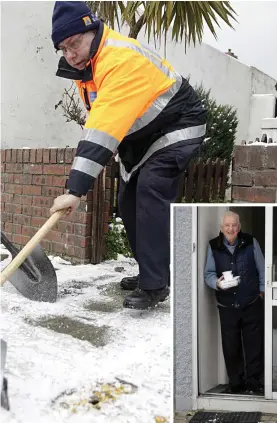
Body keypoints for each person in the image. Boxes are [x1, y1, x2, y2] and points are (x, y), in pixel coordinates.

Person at [50, 1, 207, 309]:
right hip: (146, 137)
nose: (70, 54)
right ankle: (151, 271)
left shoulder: (119, 59)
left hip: (178, 125)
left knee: (150, 189)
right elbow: (111, 122)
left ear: (92, 31)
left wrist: (74, 191)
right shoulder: (89, 69)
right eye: (64, 49)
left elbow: (103, 125)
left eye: (75, 44)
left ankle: (156, 285)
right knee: (128, 200)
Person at [204, 211, 265, 395]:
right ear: (222, 228)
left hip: (251, 302)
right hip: (227, 306)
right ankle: (236, 384)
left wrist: (262, 291)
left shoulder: (250, 242)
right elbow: (208, 274)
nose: (231, 229)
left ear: (239, 227)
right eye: (227, 226)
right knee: (231, 347)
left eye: (234, 225)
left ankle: (254, 383)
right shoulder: (213, 246)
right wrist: (218, 283)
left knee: (254, 345)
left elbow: (262, 268)